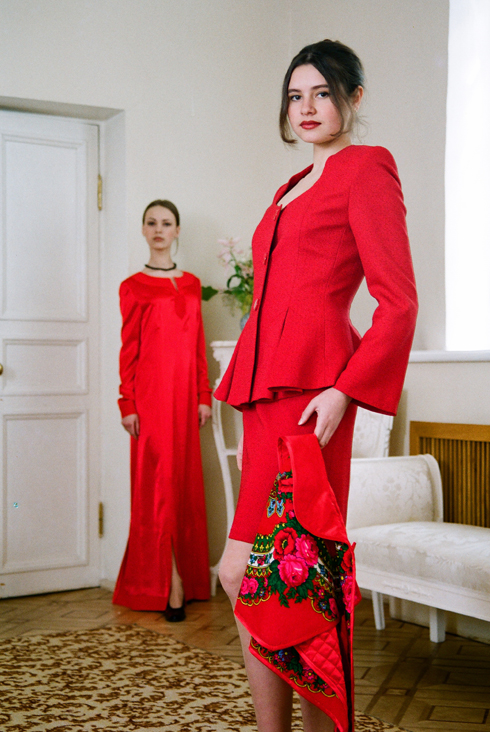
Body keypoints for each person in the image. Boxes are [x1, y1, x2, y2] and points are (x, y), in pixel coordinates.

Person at [215, 40, 418, 731]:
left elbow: (399, 302)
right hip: (262, 395)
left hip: (312, 400)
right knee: (251, 573)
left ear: (353, 98)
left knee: (299, 577)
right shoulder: (290, 186)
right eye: (295, 96)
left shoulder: (367, 167)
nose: (306, 108)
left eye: (322, 93)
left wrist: (345, 390)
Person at [113, 199, 212, 622]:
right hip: (150, 401)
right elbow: (128, 350)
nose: (158, 229)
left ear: (176, 231)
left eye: (166, 223)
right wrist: (128, 402)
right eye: (151, 223)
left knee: (183, 487)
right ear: (143, 230)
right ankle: (169, 585)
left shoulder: (191, 284)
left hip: (186, 400)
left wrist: (204, 395)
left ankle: (188, 580)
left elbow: (198, 345)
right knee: (158, 490)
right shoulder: (133, 286)